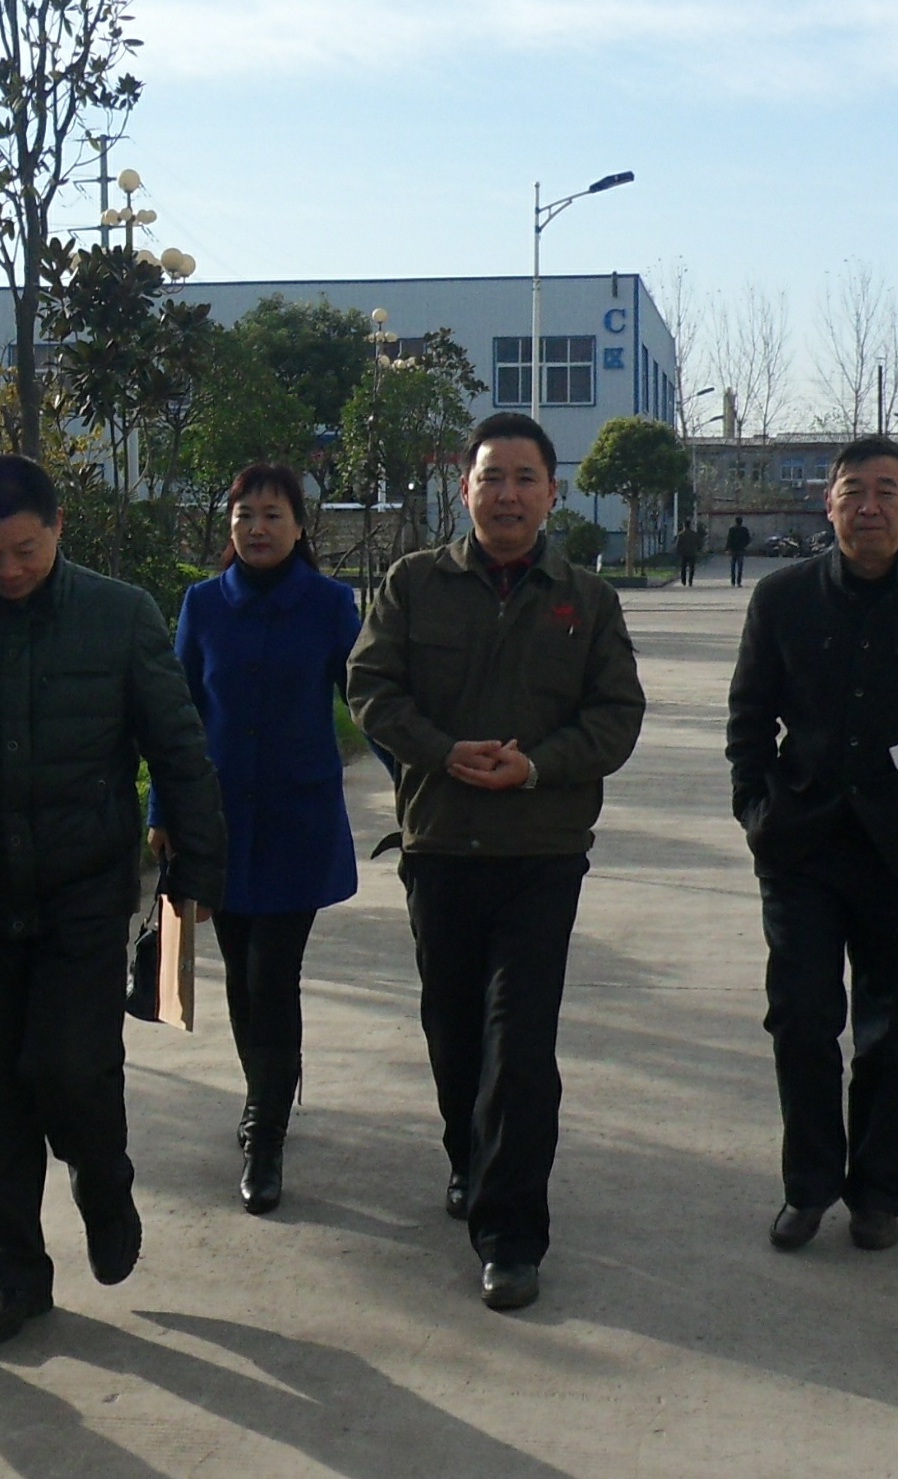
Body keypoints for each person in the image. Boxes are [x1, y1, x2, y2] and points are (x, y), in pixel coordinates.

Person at [0, 453, 225, 1347]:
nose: (7, 568)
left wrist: (194, 875)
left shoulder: (120, 615)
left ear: (58, 526)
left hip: (83, 889)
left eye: (24, 549)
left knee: (70, 1068)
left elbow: (178, 749)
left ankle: (104, 1183)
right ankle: (12, 1271)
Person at [347, 411, 646, 1313]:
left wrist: (538, 765)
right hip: (440, 845)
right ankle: (468, 1156)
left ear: (553, 492)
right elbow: (371, 687)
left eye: (525, 478)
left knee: (519, 1042)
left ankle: (511, 1235)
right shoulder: (413, 583)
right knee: (453, 1029)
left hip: (541, 852)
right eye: (492, 477)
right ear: (465, 488)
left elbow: (616, 716)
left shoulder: (587, 600)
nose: (507, 494)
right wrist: (442, 751)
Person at [726, 434, 898, 1254]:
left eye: (887, 491)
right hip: (803, 847)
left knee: (892, 1033)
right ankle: (809, 1185)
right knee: (802, 1018)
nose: (870, 507)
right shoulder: (782, 598)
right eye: (854, 491)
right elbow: (748, 721)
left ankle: (878, 1192)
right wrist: (757, 810)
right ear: (830, 504)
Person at [149, 464, 362, 1215]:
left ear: (300, 526)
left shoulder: (332, 606)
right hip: (219, 826)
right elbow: (176, 716)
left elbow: (369, 700)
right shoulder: (203, 604)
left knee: (273, 973)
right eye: (245, 515)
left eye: (273, 514)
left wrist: (420, 783)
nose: (258, 528)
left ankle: (264, 1133)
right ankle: (263, 1093)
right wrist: (161, 810)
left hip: (298, 824)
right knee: (241, 975)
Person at [674, 520, 703, 587]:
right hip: (692, 553)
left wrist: (677, 552)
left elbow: (678, 545)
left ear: (684, 525)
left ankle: (683, 580)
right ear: (690, 526)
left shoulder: (681, 534)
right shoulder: (694, 534)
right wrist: (699, 549)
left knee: (683, 568)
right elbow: (699, 544)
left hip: (683, 553)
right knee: (691, 567)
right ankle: (690, 580)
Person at [725, 516, 752, 588]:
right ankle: (739, 582)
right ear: (741, 522)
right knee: (740, 567)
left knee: (733, 567)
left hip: (733, 550)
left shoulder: (732, 530)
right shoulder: (744, 530)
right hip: (741, 550)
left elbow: (729, 540)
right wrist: (744, 545)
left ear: (735, 522)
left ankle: (733, 582)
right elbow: (748, 539)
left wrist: (727, 549)